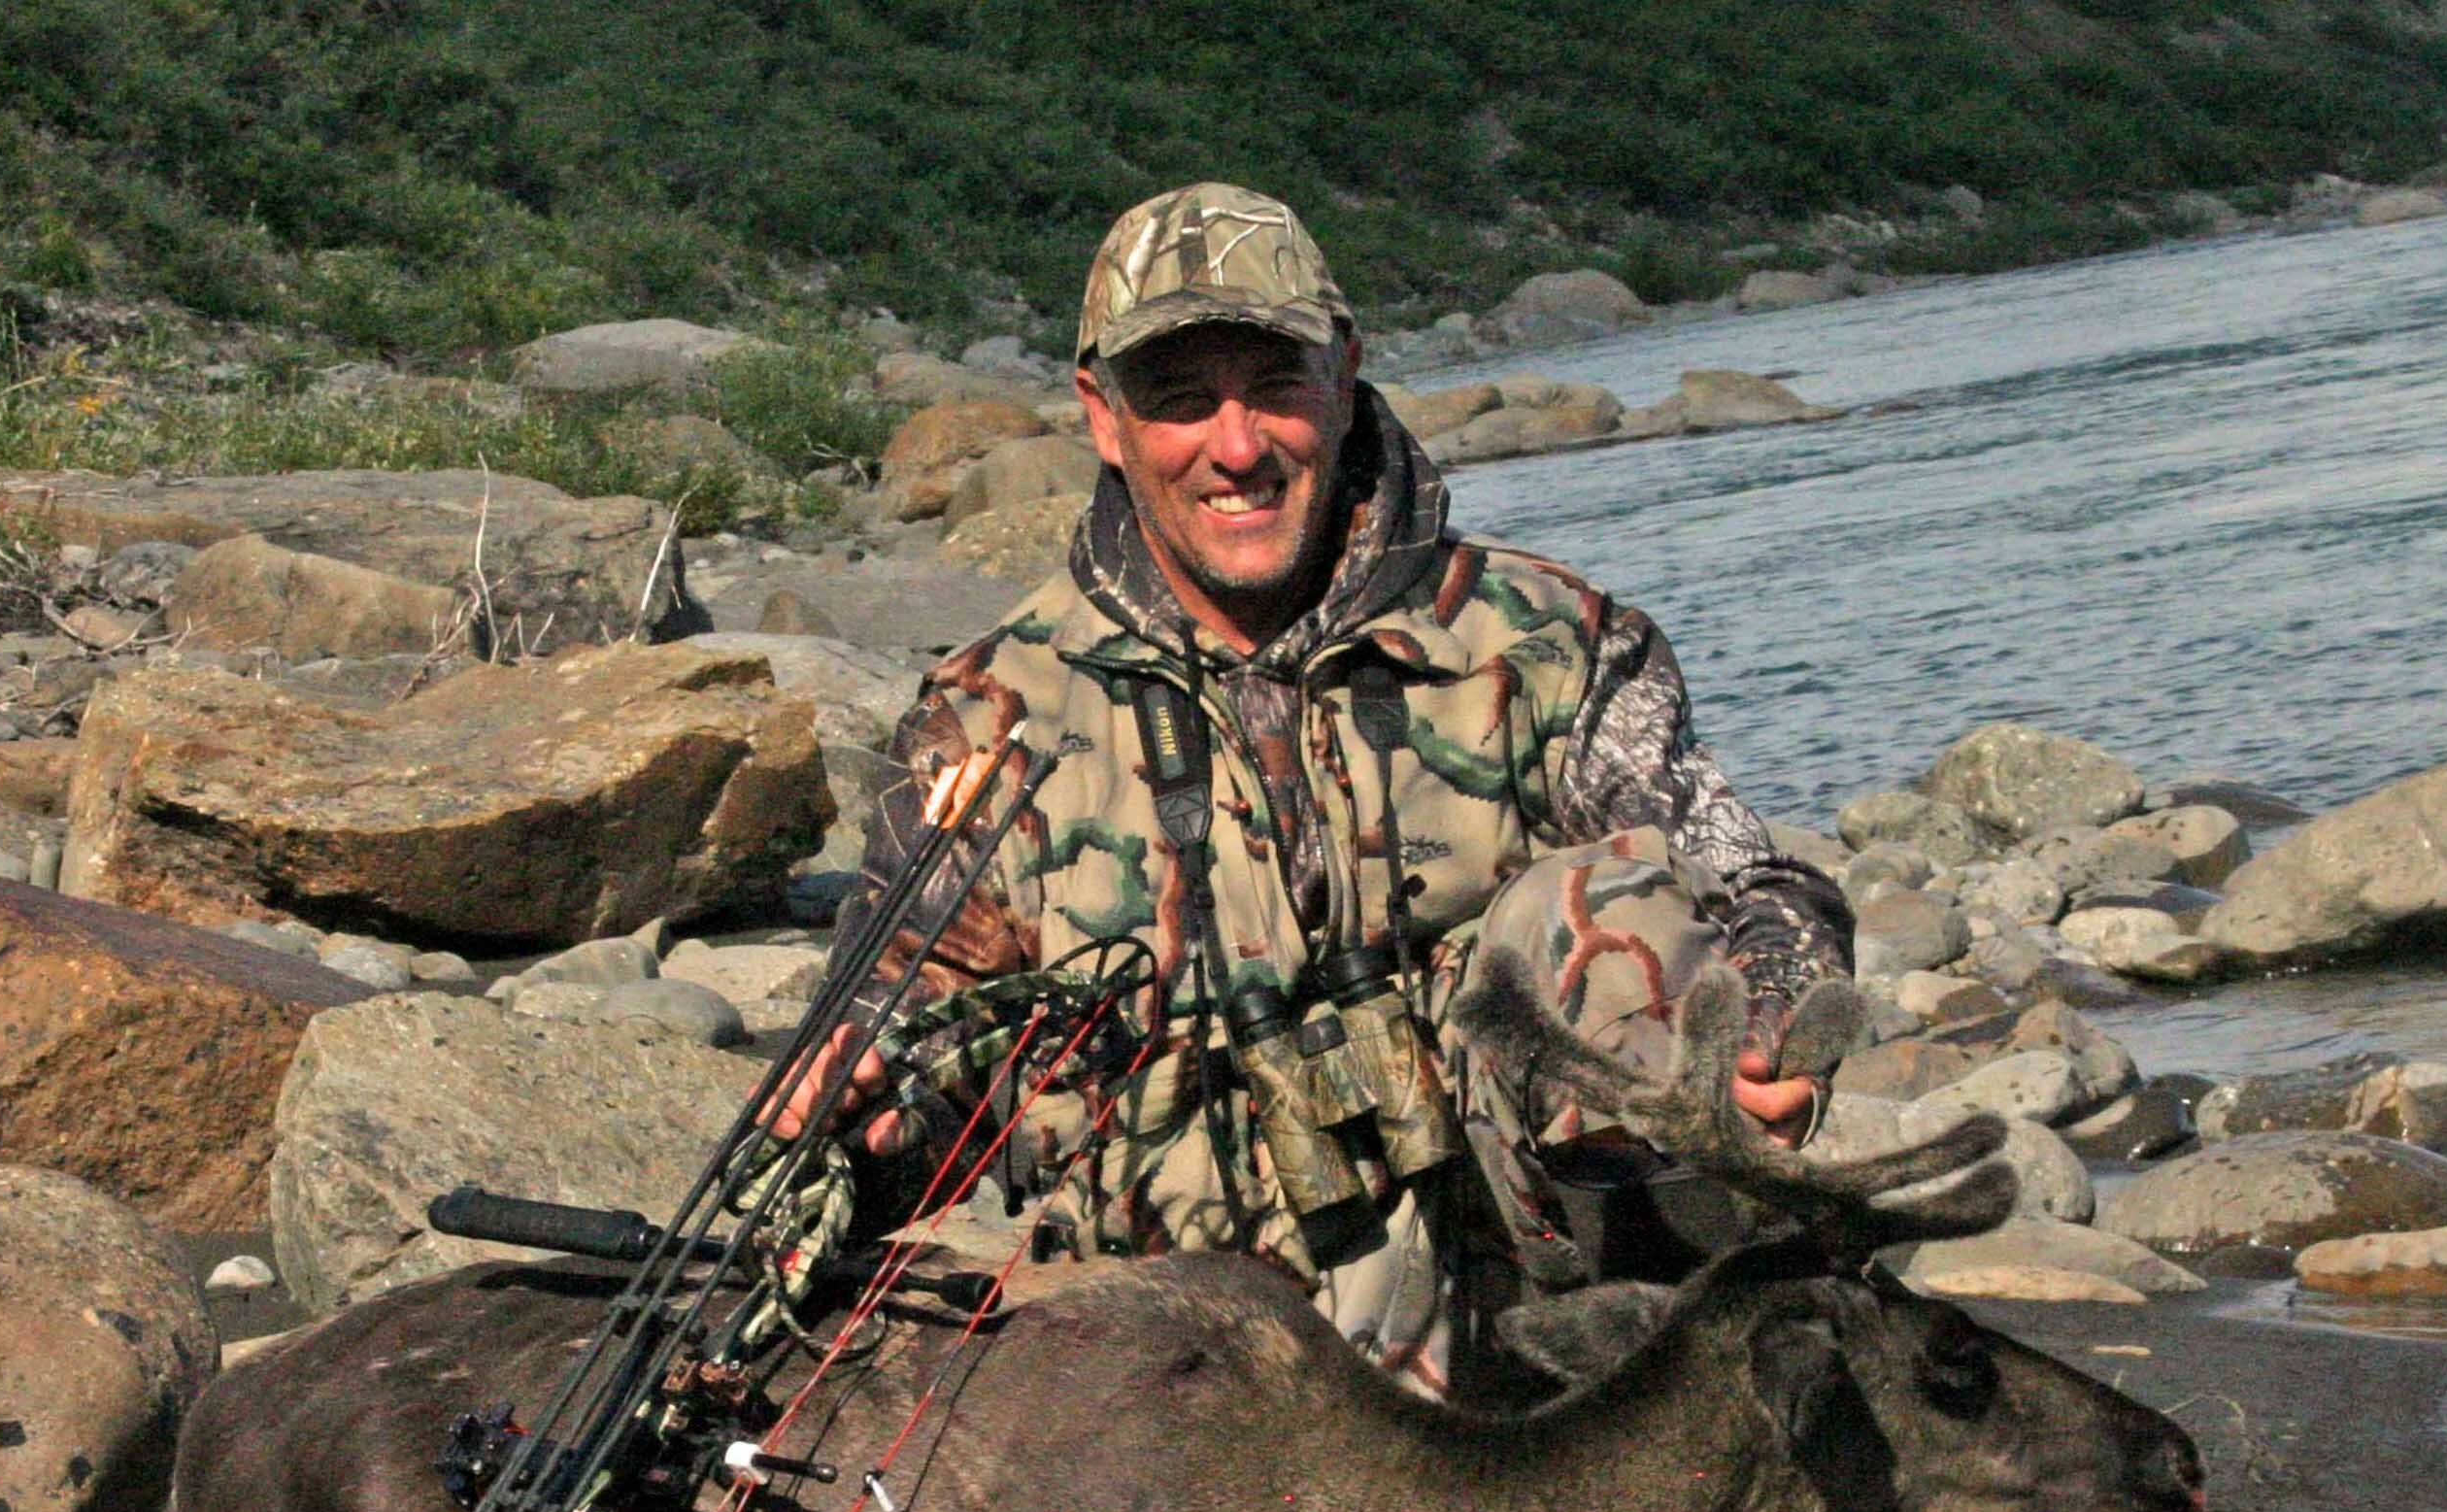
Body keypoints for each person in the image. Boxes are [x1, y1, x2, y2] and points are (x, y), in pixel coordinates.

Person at [780, 182, 1854, 1394]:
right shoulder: (982, 725)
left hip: (1551, 1363)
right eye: (1180, 401)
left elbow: (1760, 888)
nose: (1236, 447)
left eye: (1274, 384)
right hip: (1186, 1402)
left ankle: (1672, 1382)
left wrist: (1771, 1007)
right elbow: (901, 1065)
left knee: (1602, 913)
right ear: (1100, 415)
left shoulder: (1554, 642)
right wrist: (850, 1125)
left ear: (1345, 374)